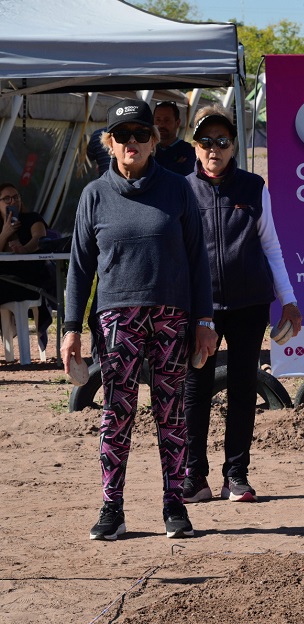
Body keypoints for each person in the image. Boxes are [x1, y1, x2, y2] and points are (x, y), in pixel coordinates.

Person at [61, 98, 217, 541]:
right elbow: (79, 269)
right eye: (123, 135)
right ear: (109, 143)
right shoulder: (94, 195)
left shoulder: (178, 189)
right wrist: (71, 330)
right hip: (116, 319)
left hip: (172, 316)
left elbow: (198, 260)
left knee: (171, 413)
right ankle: (112, 508)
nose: (132, 141)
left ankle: (174, 505)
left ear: (154, 141)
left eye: (141, 134)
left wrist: (205, 320)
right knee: (117, 412)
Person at [182, 104, 302, 504]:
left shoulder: (254, 187)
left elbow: (272, 247)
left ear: (233, 146)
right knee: (195, 390)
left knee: (243, 387)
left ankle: (236, 475)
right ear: (194, 145)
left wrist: (289, 301)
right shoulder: (181, 190)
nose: (213, 148)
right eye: (205, 141)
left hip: (250, 305)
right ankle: (194, 477)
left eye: (222, 141)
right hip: (200, 309)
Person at [0, 183, 54, 350]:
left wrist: (25, 249)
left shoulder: (32, 218)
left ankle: (21, 327)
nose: (13, 201)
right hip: (5, 279)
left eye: (16, 197)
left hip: (30, 278)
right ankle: (9, 327)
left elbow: (39, 238)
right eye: (6, 198)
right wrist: (5, 233)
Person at [153, 101, 196, 176]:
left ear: (177, 123)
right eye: (158, 120)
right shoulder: (147, 150)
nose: (161, 125)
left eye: (167, 120)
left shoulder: (189, 152)